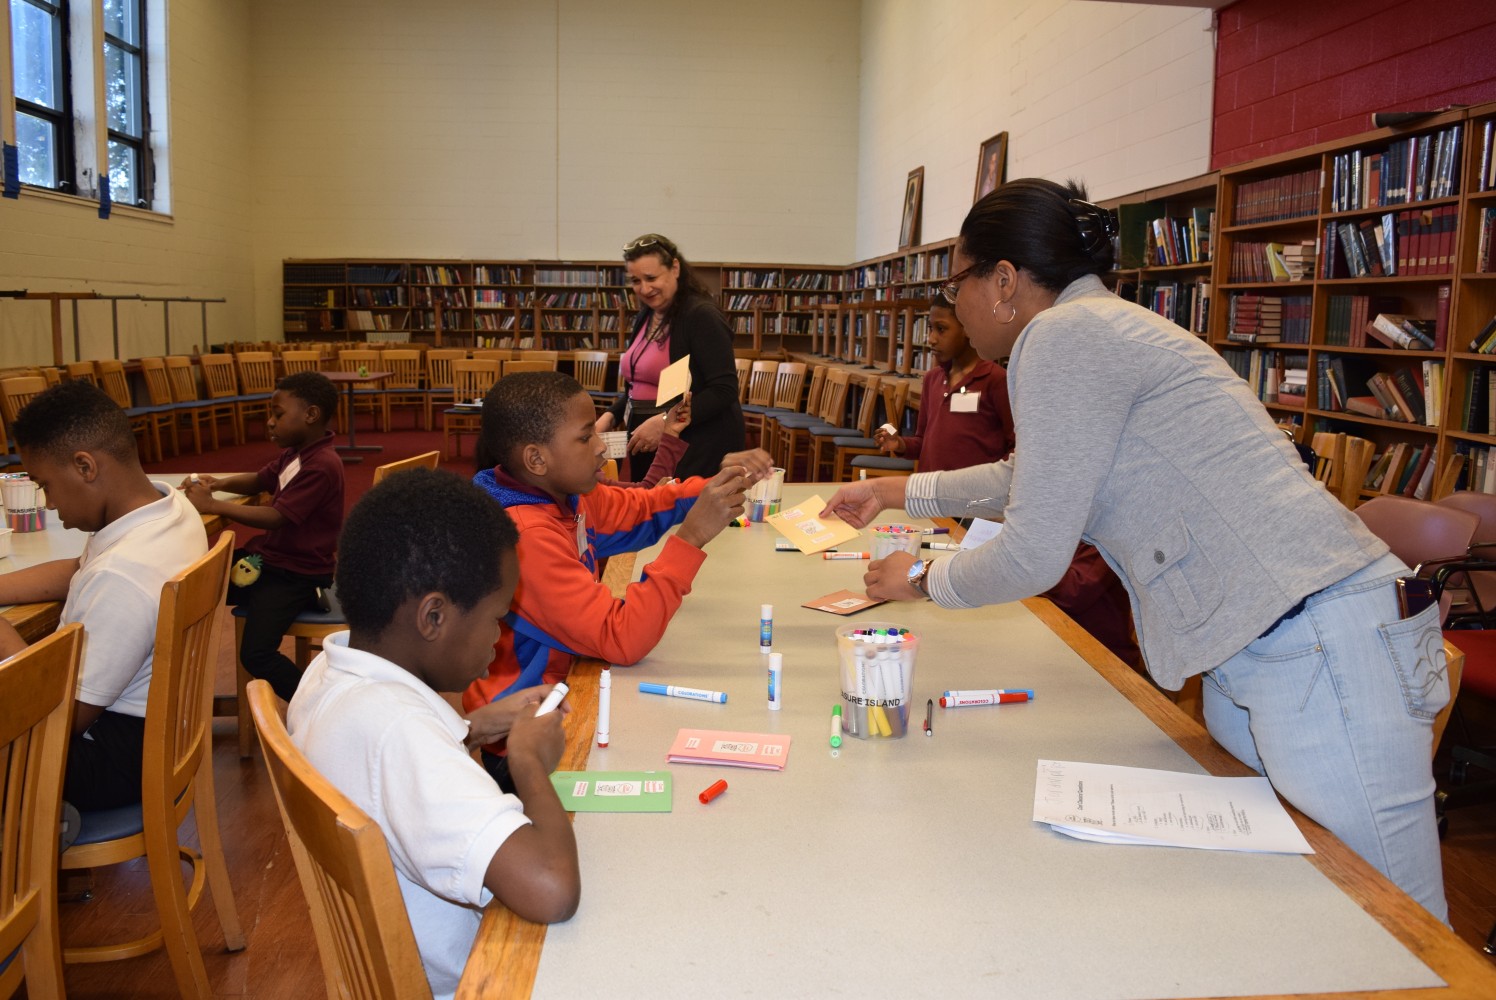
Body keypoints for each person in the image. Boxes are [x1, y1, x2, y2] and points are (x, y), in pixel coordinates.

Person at [823, 177, 1449, 921]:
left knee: (1400, 925)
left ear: (1002, 282)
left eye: (957, 281)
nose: (952, 303)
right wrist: (899, 494)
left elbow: (1032, 555)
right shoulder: (1099, 326)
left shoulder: (1063, 337)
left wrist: (920, 577)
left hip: (1317, 641)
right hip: (1276, 640)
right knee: (1298, 905)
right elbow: (1037, 476)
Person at [288, 467, 578, 999]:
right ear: (433, 616)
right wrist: (528, 762)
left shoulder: (326, 673)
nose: (500, 636)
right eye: (496, 617)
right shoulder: (400, 733)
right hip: (471, 979)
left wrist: (472, 728)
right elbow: (552, 889)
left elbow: (389, 774)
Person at [467, 371, 750, 787]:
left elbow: (643, 507)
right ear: (536, 459)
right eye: (585, 438)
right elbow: (623, 638)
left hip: (566, 689)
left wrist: (715, 488)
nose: (602, 445)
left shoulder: (564, 494)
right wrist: (690, 539)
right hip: (523, 742)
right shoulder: (525, 536)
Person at [876, 294, 1140, 668]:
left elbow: (1064, 582)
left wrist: (956, 574)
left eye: (941, 328)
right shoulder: (935, 380)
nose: (931, 339)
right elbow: (1019, 477)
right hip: (1036, 636)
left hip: (1086, 656)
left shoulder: (1106, 497)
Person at [0, 381, 207, 811]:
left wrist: (4, 636)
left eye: (45, 484)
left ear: (85, 467)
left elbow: (58, 720)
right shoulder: (168, 510)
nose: (49, 502)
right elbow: (81, 569)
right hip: (157, 730)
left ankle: (25, 854)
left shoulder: (124, 574)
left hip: (116, 756)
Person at [181, 371, 344, 703]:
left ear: (311, 415)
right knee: (197, 588)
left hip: (293, 575)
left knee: (256, 654)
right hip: (265, 564)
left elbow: (276, 517)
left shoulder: (321, 465)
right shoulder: (297, 454)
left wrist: (211, 505)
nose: (270, 422)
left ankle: (320, 704)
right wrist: (218, 484)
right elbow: (259, 480)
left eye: (278, 414)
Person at [595, 233, 746, 480]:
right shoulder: (647, 315)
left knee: (679, 515)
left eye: (652, 277)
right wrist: (610, 416)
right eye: (635, 280)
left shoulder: (700, 315)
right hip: (648, 442)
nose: (644, 288)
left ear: (675, 268)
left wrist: (665, 421)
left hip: (694, 445)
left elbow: (724, 390)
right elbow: (639, 384)